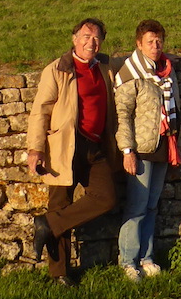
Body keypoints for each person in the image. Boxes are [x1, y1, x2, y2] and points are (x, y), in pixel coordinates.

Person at [26, 17, 121, 282]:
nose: (92, 42)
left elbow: (136, 61)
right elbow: (40, 111)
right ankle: (60, 275)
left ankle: (48, 225)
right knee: (60, 203)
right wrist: (35, 149)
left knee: (107, 198)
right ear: (74, 39)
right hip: (64, 147)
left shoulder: (105, 65)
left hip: (95, 145)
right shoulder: (57, 69)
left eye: (97, 37)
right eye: (86, 36)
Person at [113, 18, 181, 280]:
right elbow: (123, 115)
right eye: (150, 41)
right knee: (137, 206)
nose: (156, 46)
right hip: (141, 149)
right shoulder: (130, 75)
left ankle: (147, 257)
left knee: (152, 206)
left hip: (164, 145)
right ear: (139, 44)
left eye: (159, 41)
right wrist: (127, 151)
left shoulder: (166, 70)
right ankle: (128, 261)